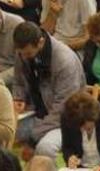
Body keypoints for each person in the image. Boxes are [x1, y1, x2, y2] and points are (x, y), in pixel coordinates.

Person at [12, 21, 85, 158]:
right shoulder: (22, 52)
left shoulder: (65, 61)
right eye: (20, 53)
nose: (23, 57)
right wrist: (18, 97)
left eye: (27, 53)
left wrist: (33, 140)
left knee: (45, 148)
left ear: (40, 42)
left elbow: (63, 109)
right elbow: (18, 81)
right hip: (37, 113)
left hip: (66, 120)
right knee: (3, 130)